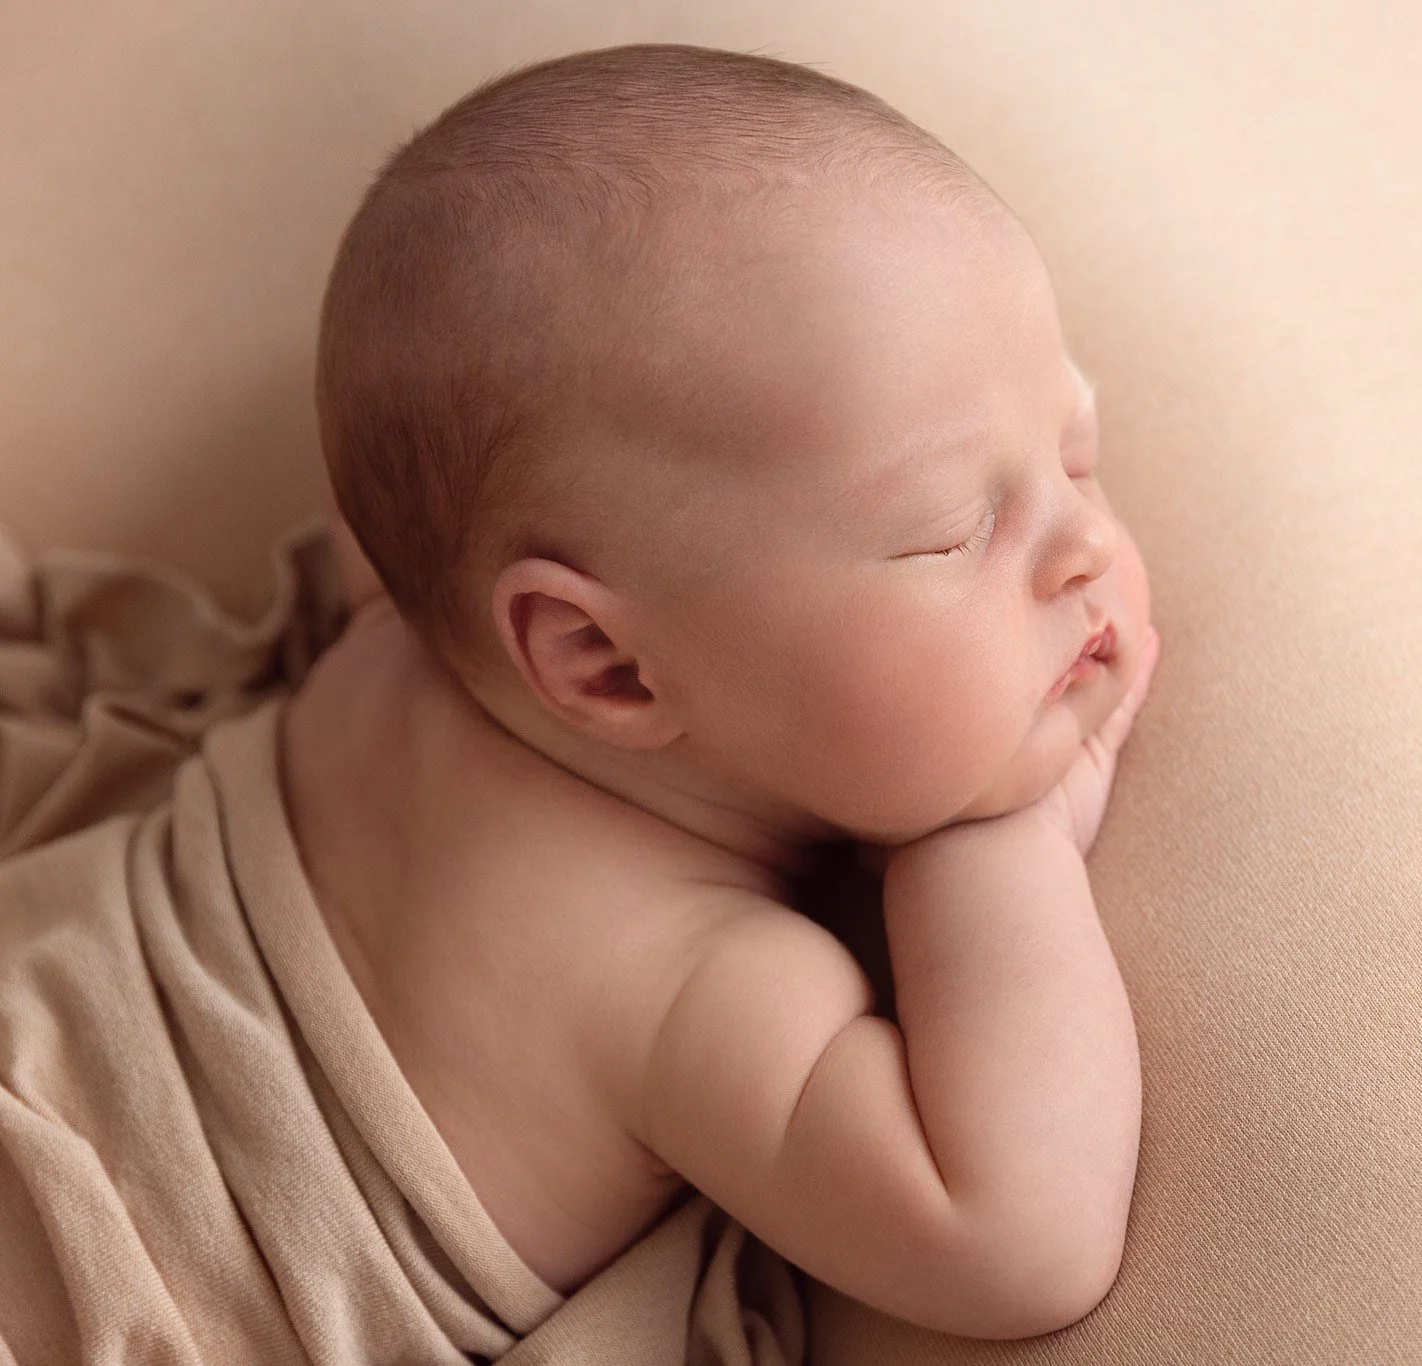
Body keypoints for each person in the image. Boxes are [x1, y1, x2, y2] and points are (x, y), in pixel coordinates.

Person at [286, 41, 1160, 1340]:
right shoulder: (675, 973)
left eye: (1074, 451)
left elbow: (396, 503)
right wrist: (999, 841)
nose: (1085, 542)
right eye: (949, 532)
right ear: (604, 663)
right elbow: (1020, 1240)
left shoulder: (388, 637)